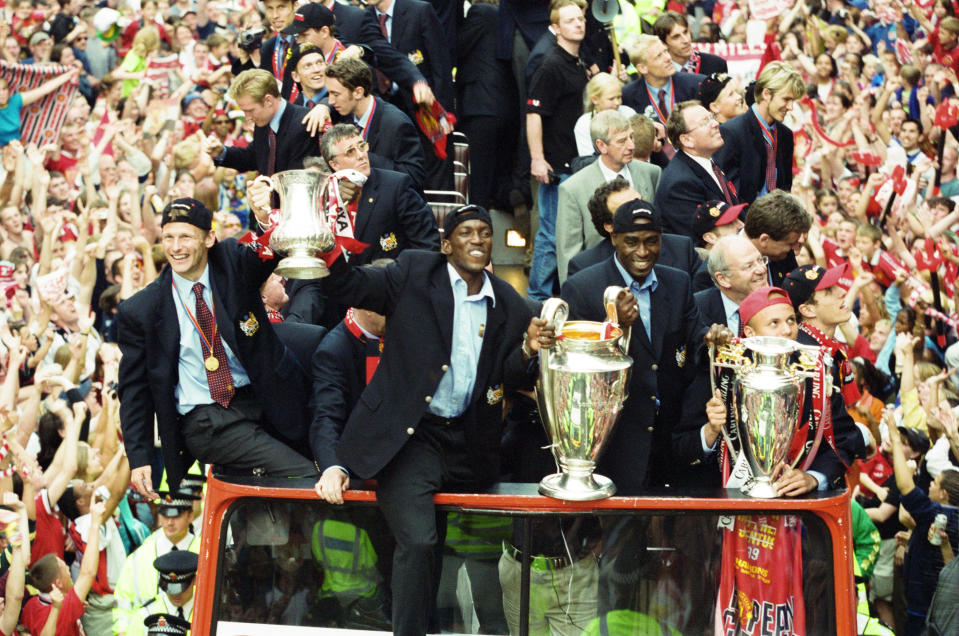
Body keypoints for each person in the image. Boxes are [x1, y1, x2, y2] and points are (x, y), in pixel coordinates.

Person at [313, 205, 550, 635]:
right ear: (445, 245)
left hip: (468, 442)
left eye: (484, 233)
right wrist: (327, 248)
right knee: (420, 542)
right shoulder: (413, 272)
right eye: (465, 233)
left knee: (466, 549)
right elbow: (349, 284)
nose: (477, 240)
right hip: (410, 437)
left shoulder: (508, 302)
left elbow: (510, 375)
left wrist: (530, 349)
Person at [117, 198, 318, 496]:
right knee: (305, 480)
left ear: (209, 238)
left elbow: (269, 252)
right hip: (208, 421)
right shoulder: (141, 309)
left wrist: (265, 217)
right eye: (168, 237)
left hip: (265, 400)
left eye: (186, 236)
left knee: (321, 472)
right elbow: (134, 389)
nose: (176, 247)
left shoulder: (231, 262)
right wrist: (139, 457)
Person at [561, 198, 704, 491]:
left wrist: (712, 339)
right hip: (614, 440)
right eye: (632, 242)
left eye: (652, 241)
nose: (643, 252)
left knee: (668, 534)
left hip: (667, 441)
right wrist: (616, 326)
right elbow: (574, 370)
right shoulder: (583, 286)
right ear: (613, 238)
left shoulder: (677, 283)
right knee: (618, 534)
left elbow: (694, 340)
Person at [526, 0, 589, 301]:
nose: (578, 23)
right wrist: (538, 159)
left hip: (575, 163)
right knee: (551, 235)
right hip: (556, 166)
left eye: (580, 18)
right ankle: (537, 298)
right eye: (570, 20)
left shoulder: (576, 61)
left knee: (567, 235)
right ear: (555, 28)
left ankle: (562, 295)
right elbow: (534, 113)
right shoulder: (550, 64)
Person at [556, 109, 661, 283]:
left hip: (649, 277)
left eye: (631, 137)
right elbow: (568, 253)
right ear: (601, 146)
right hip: (601, 283)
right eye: (622, 141)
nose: (631, 146)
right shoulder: (573, 188)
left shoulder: (651, 173)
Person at [319, 123, 438, 266]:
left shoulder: (397, 186)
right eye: (350, 151)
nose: (361, 155)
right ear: (335, 165)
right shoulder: (323, 195)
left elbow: (427, 245)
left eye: (362, 146)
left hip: (388, 282)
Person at [567, 177, 708, 287]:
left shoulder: (680, 249)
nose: (639, 211)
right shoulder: (584, 266)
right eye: (626, 209)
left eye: (640, 202)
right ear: (609, 226)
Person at [324, 57, 426, 190]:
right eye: (329, 94)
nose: (330, 101)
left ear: (358, 92)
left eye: (335, 94)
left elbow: (414, 177)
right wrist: (322, 106)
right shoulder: (342, 114)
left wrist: (362, 156)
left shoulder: (397, 124)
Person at [113, 489, 201, 635]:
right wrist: (122, 631)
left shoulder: (207, 554)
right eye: (165, 515)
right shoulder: (140, 555)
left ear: (190, 515)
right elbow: (123, 602)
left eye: (176, 516)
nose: (169, 522)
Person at [203, 69, 321, 176]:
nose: (247, 117)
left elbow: (296, 180)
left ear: (268, 100)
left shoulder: (304, 124)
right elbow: (253, 157)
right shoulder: (264, 120)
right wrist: (221, 152)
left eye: (250, 111)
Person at [715, 62, 804, 204]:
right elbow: (726, 190)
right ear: (766, 94)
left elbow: (785, 186)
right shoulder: (733, 131)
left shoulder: (785, 134)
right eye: (786, 99)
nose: (790, 107)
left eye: (793, 100)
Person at [21, 493, 106, 636]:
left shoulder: (31, 605)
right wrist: (95, 523)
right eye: (65, 568)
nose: (68, 569)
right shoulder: (64, 608)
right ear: (58, 583)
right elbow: (88, 572)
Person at [654, 100, 740, 239]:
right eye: (705, 122)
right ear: (687, 140)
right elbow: (698, 241)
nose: (715, 123)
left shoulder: (711, 162)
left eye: (712, 117)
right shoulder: (680, 184)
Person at [621, 34, 704, 133]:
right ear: (642, 68)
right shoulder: (627, 97)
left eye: (665, 51)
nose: (668, 58)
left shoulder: (696, 84)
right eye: (658, 56)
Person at [696, 234, 768, 333]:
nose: (761, 269)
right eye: (749, 266)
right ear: (723, 279)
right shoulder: (698, 310)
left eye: (760, 260)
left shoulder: (777, 302)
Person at [744, 189, 811, 287]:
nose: (797, 245)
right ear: (764, 240)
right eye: (790, 243)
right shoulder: (727, 261)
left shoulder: (785, 255)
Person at [0, 68, 80, 146]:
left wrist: (69, 74)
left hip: (16, 148)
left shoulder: (15, 101)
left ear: (8, 90)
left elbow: (44, 90)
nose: (2, 93)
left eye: (4, 89)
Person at [653, 11, 727, 75]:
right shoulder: (656, 71)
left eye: (685, 32)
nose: (686, 40)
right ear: (663, 43)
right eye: (676, 37)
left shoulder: (716, 64)